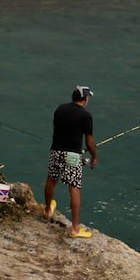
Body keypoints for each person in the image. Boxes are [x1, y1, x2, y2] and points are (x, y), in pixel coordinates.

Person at [44, 85, 99, 239]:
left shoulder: (60, 109)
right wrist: (94, 156)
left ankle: (48, 210)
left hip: (56, 150)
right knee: (74, 187)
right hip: (73, 156)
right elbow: (89, 142)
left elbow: (57, 129)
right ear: (85, 98)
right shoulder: (85, 115)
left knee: (51, 179)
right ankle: (75, 229)